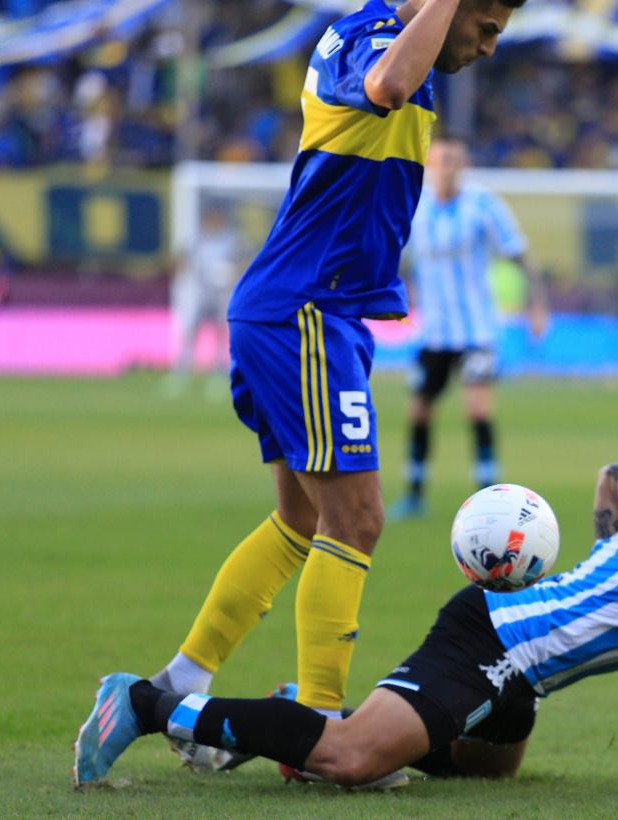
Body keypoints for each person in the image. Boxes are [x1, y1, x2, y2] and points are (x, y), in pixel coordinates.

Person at [135, 0, 528, 782]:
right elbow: (384, 82)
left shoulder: (398, 53)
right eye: (486, 26)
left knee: (302, 518)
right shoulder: (375, 39)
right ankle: (319, 729)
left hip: (311, 308)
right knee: (357, 517)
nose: (488, 46)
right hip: (305, 308)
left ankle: (178, 682)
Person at [74, 435, 618, 788]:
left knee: (489, 771)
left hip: (527, 676)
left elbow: (611, 480)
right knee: (355, 762)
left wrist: (602, 563)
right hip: (498, 640)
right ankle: (148, 706)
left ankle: (305, 720)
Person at [389, 135, 549, 519]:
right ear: (429, 162)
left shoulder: (483, 205)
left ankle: (487, 498)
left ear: (464, 165)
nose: (449, 167)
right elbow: (399, 260)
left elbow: (518, 254)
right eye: (442, 159)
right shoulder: (415, 207)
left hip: (477, 330)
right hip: (435, 332)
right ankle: (414, 493)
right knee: (419, 410)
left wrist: (538, 305)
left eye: (456, 160)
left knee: (477, 409)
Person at [162, 206, 245, 398]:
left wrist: (230, 272)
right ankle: (181, 374)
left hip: (221, 293)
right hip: (199, 292)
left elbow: (242, 263)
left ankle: (219, 376)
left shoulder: (231, 241)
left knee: (220, 335)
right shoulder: (197, 241)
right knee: (190, 333)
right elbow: (180, 260)